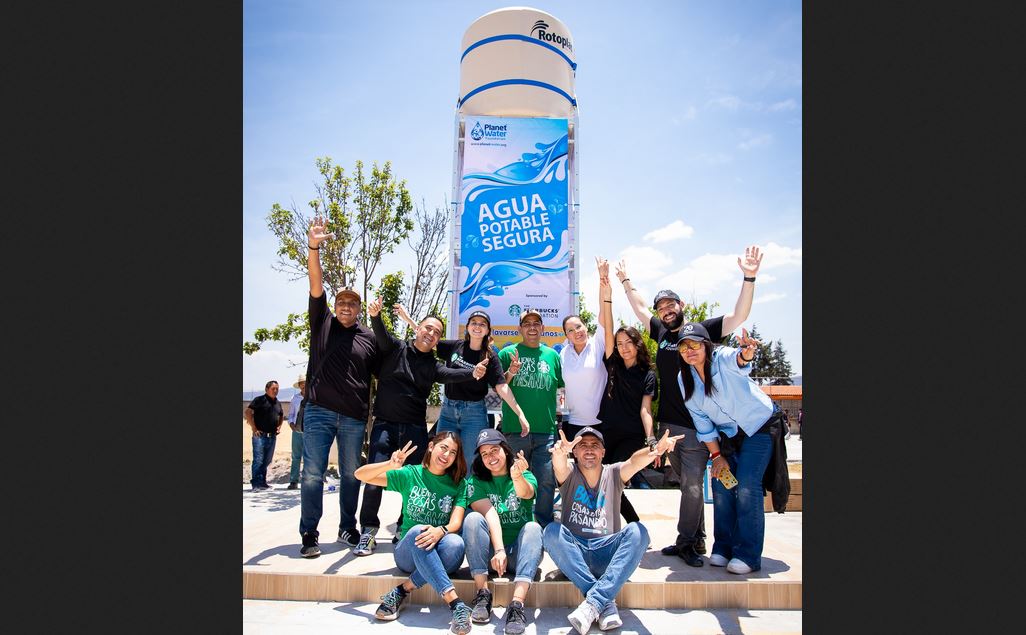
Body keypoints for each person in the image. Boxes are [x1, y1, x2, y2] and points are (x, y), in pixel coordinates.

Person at [615, 245, 762, 567]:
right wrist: (626, 281)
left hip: (698, 424)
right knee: (687, 484)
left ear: (681, 306)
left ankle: (687, 542)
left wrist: (749, 277)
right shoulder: (662, 332)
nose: (665, 311)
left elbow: (739, 316)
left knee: (694, 486)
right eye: (661, 307)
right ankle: (696, 539)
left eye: (670, 305)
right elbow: (640, 309)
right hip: (670, 424)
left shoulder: (701, 331)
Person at [355, 297, 488, 556]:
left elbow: (451, 375)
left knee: (420, 482)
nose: (431, 333)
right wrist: (375, 316)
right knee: (375, 480)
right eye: (428, 328)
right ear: (417, 329)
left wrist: (472, 374)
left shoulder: (434, 365)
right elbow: (381, 336)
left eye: (437, 332)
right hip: (384, 425)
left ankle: (405, 527)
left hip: (415, 430)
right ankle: (368, 530)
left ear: (438, 340)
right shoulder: (396, 348)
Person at [543, 427, 683, 634]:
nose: (589, 450)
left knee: (638, 532)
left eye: (594, 445)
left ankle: (593, 603)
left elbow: (634, 461)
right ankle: (604, 603)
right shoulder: (570, 474)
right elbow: (560, 467)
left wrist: (655, 449)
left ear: (603, 452)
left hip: (607, 554)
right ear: (575, 452)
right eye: (582, 445)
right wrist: (559, 454)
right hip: (576, 554)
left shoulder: (614, 473)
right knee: (551, 532)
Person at [298, 216, 380, 558]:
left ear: (359, 309)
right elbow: (316, 280)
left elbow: (385, 373)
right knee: (313, 474)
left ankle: (348, 527)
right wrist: (313, 245)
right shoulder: (322, 323)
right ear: (334, 306)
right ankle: (309, 533)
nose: (346, 306)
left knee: (351, 474)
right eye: (341, 302)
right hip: (318, 412)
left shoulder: (369, 338)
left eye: (352, 303)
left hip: (353, 418)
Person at [677, 322, 788, 574]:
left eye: (695, 344)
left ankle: (748, 555)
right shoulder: (684, 379)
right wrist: (716, 456)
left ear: (706, 345)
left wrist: (746, 352)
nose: (689, 350)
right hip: (729, 435)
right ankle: (723, 547)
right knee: (721, 484)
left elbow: (739, 359)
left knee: (748, 485)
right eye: (683, 346)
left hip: (760, 425)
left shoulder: (721, 358)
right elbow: (702, 422)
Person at [354, 432, 476, 635]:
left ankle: (402, 590)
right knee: (420, 530)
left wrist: (440, 531)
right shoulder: (411, 474)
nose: (446, 455)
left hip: (443, 552)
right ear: (431, 447)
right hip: (408, 554)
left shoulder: (459, 484)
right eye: (443, 448)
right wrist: (389, 465)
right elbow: (360, 474)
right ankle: (456, 604)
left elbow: (455, 522)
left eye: (453, 452)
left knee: (456, 543)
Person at [394, 304, 531, 465]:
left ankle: (467, 491)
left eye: (482, 324)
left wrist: (520, 414)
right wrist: (408, 319)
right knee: (442, 459)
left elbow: (502, 387)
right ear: (467, 327)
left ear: (487, 330)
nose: (477, 326)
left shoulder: (490, 356)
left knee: (470, 461)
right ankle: (444, 491)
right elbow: (427, 337)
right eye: (474, 322)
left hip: (475, 414)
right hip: (448, 411)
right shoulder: (455, 346)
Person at [462, 428, 544, 634]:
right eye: (484, 454)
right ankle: (483, 594)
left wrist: (517, 476)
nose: (490, 457)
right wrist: (498, 550)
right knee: (472, 519)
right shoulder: (476, 482)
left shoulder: (524, 473)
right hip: (490, 555)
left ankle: (516, 605)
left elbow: (527, 493)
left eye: (494, 450)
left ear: (505, 450)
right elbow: (490, 514)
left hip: (519, 554)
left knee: (533, 527)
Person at [498, 309, 564, 528]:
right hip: (515, 430)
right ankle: (517, 522)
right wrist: (511, 372)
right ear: (520, 329)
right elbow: (500, 386)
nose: (532, 327)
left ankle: (544, 524)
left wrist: (560, 420)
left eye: (537, 323)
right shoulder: (508, 353)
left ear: (543, 328)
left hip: (546, 430)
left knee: (546, 480)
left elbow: (560, 389)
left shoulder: (553, 356)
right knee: (516, 478)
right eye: (527, 324)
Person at [597, 325, 659, 524]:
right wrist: (606, 297)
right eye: (619, 344)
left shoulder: (648, 374)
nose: (624, 348)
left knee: (611, 481)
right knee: (603, 482)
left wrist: (651, 439)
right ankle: (628, 526)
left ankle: (634, 527)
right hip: (607, 432)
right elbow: (607, 331)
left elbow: (645, 410)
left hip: (631, 436)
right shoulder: (613, 364)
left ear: (637, 344)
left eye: (628, 343)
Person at [559, 257, 613, 441]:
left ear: (586, 327)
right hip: (572, 423)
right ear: (566, 335)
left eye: (579, 327)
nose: (577, 332)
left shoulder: (598, 343)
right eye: (571, 330)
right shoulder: (563, 353)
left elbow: (603, 312)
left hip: (602, 422)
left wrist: (602, 281)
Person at [245, 380, 284, 490]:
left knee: (267, 459)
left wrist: (279, 426)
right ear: (267, 389)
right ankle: (256, 484)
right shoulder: (259, 400)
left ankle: (262, 482)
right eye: (273, 389)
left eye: (277, 389)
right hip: (259, 435)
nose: (275, 391)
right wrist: (254, 428)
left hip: (272, 436)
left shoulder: (277, 402)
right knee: (258, 459)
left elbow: (281, 415)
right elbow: (247, 412)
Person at [287, 375, 306, 489]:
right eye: (301, 383)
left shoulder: (313, 397)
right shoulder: (295, 398)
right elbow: (291, 414)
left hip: (310, 431)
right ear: (299, 386)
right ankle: (293, 481)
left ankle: (307, 480)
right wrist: (291, 424)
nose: (304, 385)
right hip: (297, 430)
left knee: (309, 457)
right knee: (296, 456)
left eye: (305, 382)